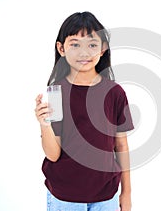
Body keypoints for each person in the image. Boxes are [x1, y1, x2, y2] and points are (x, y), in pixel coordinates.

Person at [34, 11, 134, 211]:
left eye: (92, 44)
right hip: (65, 198)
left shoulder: (115, 93)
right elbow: (53, 155)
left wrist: (127, 193)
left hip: (106, 198)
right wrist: (44, 124)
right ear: (61, 48)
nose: (84, 52)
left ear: (103, 48)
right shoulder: (57, 93)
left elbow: (121, 146)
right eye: (75, 44)